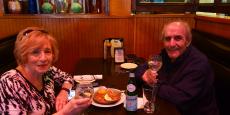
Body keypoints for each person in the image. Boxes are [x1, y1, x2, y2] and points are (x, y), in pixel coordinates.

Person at [0, 27, 91, 114]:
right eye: (35, 52)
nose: (43, 58)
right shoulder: (10, 82)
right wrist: (65, 112)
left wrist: (64, 91)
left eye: (47, 51)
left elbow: (68, 78)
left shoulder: (46, 70)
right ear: (23, 55)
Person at [135, 21, 219, 115]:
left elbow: (180, 98)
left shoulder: (199, 64)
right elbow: (139, 70)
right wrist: (144, 75)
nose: (171, 44)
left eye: (178, 38)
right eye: (167, 39)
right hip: (169, 108)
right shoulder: (164, 56)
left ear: (188, 41)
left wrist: (153, 83)